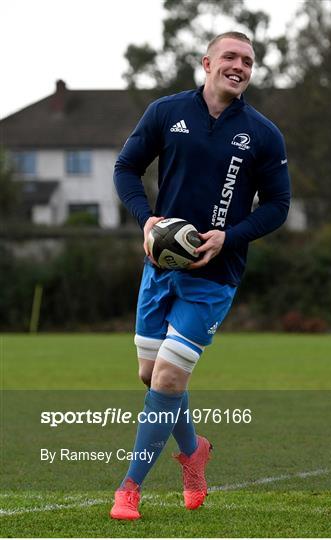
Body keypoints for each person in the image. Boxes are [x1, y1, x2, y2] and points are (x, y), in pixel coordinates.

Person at [110, 31, 291, 520]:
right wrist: (145, 218)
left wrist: (227, 237)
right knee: (150, 376)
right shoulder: (166, 113)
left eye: (248, 61)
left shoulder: (263, 133)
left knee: (167, 378)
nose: (240, 66)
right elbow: (126, 168)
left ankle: (129, 487)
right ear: (206, 62)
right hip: (160, 266)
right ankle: (194, 452)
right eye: (230, 57)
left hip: (215, 275)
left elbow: (278, 207)